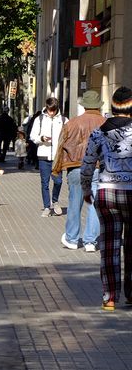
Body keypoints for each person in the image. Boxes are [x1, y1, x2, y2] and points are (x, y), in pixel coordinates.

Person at [82, 86, 132, 310]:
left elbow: (87, 164)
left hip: (106, 192)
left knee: (109, 246)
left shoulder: (99, 132)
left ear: (112, 107)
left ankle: (110, 297)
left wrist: (86, 189)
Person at [53, 90, 106, 252]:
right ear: (98, 106)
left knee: (74, 203)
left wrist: (56, 169)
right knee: (94, 205)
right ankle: (90, 241)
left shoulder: (71, 123)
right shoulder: (105, 123)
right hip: (96, 168)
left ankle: (72, 239)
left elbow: (60, 147)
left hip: (75, 167)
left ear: (84, 106)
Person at [30, 97, 67, 217]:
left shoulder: (63, 120)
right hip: (43, 155)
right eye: (49, 110)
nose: (51, 113)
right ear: (46, 108)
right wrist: (41, 138)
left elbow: (68, 136)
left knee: (58, 181)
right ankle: (47, 206)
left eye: (53, 110)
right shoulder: (39, 119)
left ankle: (55, 201)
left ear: (57, 109)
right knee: (44, 183)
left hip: (57, 156)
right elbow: (32, 136)